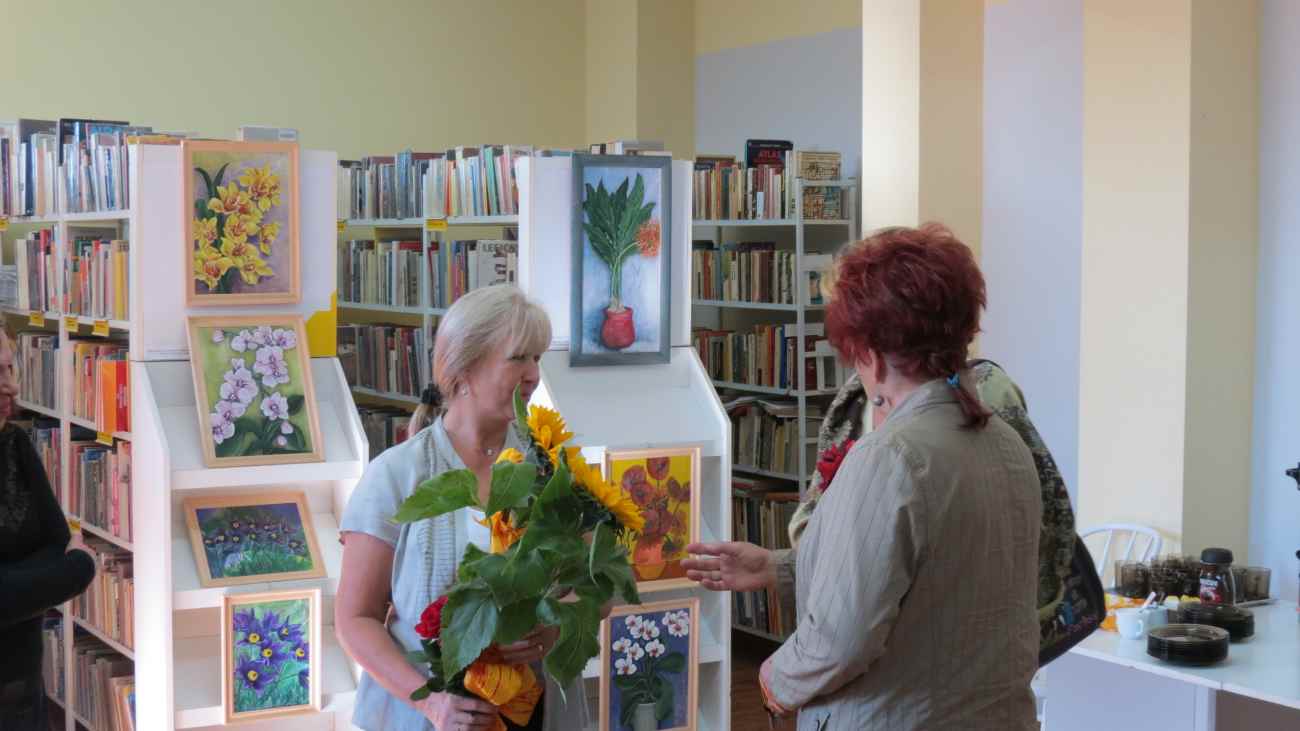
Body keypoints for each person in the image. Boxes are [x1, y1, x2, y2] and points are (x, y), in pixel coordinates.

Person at [684, 224, 1043, 730]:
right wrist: (780, 567)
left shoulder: (890, 456)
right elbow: (934, 576)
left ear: (869, 352)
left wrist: (774, 679)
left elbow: (840, 640)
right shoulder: (1007, 443)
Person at [336, 285, 586, 731]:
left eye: (537, 358)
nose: (533, 374)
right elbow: (355, 619)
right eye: (518, 358)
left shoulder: (551, 466)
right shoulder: (397, 474)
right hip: (429, 717)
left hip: (534, 711)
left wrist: (554, 626)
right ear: (464, 368)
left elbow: (595, 586)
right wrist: (431, 704)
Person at [0, 328, 98, 730]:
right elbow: (68, 557)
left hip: (21, 685)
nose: (11, 386)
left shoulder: (13, 444)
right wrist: (77, 569)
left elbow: (58, 541)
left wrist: (19, 583)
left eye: (9, 368)